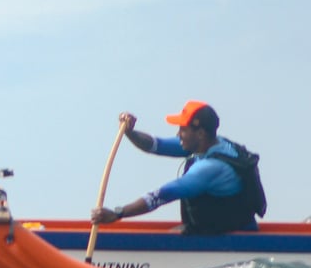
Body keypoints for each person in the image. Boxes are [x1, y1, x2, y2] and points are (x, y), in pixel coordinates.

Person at [90, 100, 266, 235]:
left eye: (182, 129)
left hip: (232, 238)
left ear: (200, 133)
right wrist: (130, 132)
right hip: (222, 231)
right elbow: (156, 145)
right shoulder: (209, 143)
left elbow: (164, 194)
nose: (178, 134)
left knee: (174, 234)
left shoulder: (210, 168)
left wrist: (117, 214)